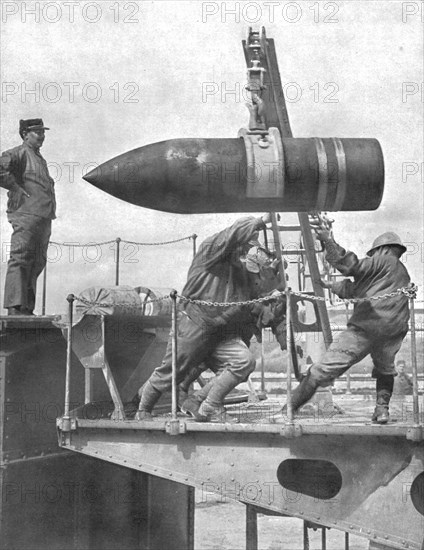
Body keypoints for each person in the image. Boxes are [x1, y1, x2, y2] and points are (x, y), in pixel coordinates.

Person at [136, 213, 283, 422]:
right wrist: (260, 221)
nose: (249, 251)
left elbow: (253, 300)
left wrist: (270, 279)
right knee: (171, 371)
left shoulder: (240, 271)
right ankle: (143, 409)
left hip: (220, 332)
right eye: (247, 245)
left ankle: (209, 406)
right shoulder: (209, 252)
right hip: (193, 324)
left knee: (243, 362)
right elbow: (234, 232)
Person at [285, 218, 411, 424]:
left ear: (383, 249)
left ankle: (288, 410)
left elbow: (352, 266)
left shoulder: (383, 260)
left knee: (319, 371)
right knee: (385, 369)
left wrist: (328, 240)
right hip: (394, 330)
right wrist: (330, 285)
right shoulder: (400, 273)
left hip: (366, 328)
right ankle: (382, 411)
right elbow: (357, 290)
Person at [0, 119, 56, 315]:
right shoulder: (19, 153)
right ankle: (15, 307)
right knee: (21, 257)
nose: (42, 135)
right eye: (36, 132)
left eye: (42, 132)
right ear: (25, 134)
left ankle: (26, 307)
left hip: (42, 215)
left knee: (37, 261)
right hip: (26, 214)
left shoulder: (39, 159)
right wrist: (15, 188)